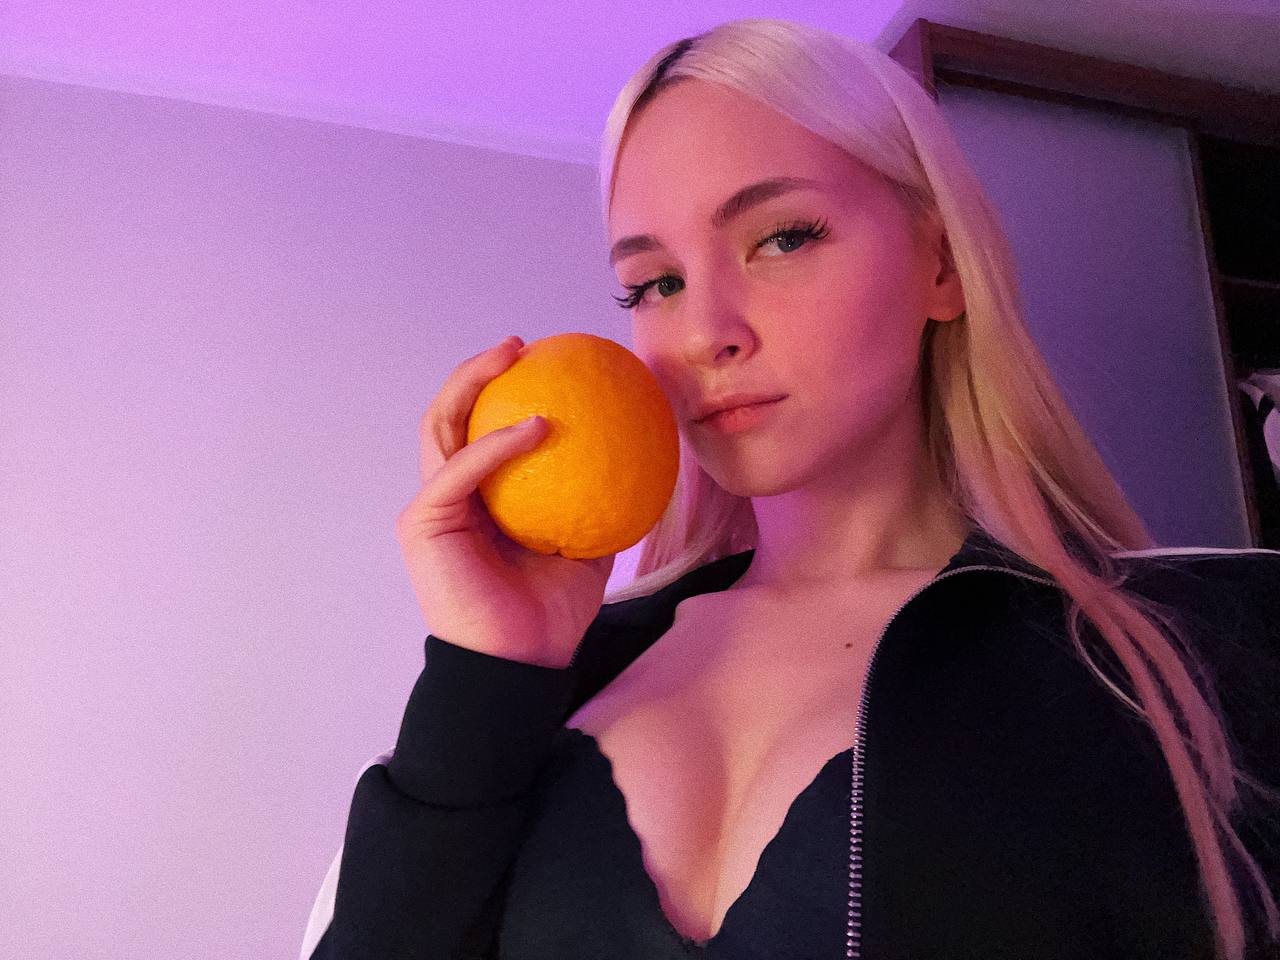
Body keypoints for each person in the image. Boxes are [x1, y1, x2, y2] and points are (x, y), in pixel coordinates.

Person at [300, 17, 1280, 960]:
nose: (705, 332)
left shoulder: (1206, 647)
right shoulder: (555, 679)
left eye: (782, 238)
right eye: (655, 284)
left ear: (941, 265)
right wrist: (487, 671)